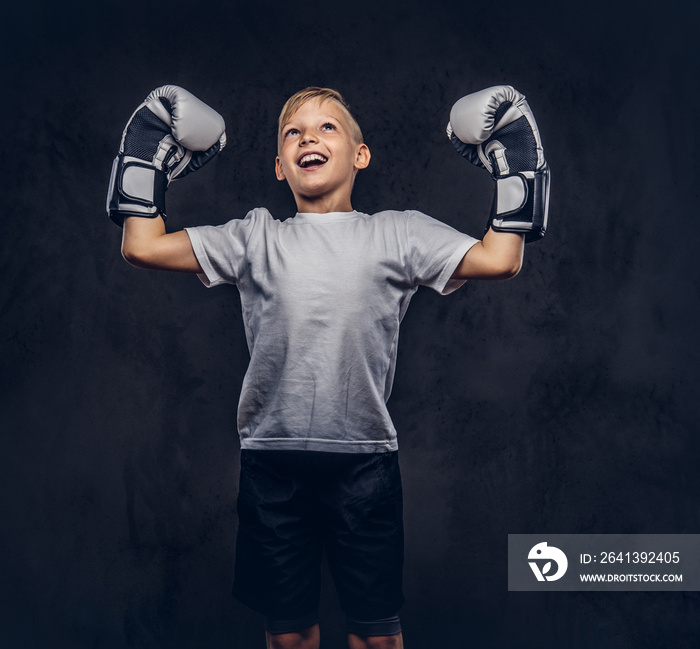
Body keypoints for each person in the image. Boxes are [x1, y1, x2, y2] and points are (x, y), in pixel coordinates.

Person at [107, 83, 549, 649]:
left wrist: (514, 162)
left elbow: (500, 258)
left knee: (377, 640)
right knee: (289, 638)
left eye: (327, 128)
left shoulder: (400, 231)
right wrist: (147, 154)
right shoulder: (254, 236)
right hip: (272, 464)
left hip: (365, 467)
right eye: (293, 132)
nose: (307, 138)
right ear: (278, 167)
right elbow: (141, 247)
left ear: (359, 155)